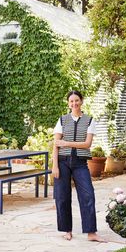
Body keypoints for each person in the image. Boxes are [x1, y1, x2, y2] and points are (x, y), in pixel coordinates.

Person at [52, 90, 106, 242]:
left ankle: (91, 233)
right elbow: (55, 145)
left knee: (88, 195)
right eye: (71, 101)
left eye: (76, 100)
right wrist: (54, 166)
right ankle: (67, 230)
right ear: (68, 104)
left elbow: (87, 144)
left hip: (80, 163)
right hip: (62, 161)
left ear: (81, 101)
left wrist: (66, 143)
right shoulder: (62, 120)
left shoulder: (89, 120)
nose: (74, 103)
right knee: (62, 197)